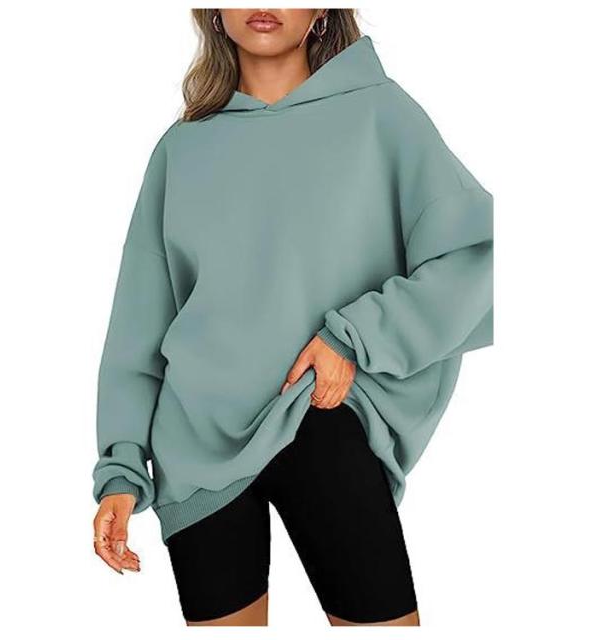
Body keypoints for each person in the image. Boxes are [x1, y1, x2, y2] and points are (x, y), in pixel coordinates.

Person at [91, 8, 494, 627]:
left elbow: (477, 257)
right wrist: (121, 469)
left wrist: (355, 338)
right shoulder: (182, 148)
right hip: (194, 442)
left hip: (323, 415)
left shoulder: (381, 115)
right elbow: (139, 324)